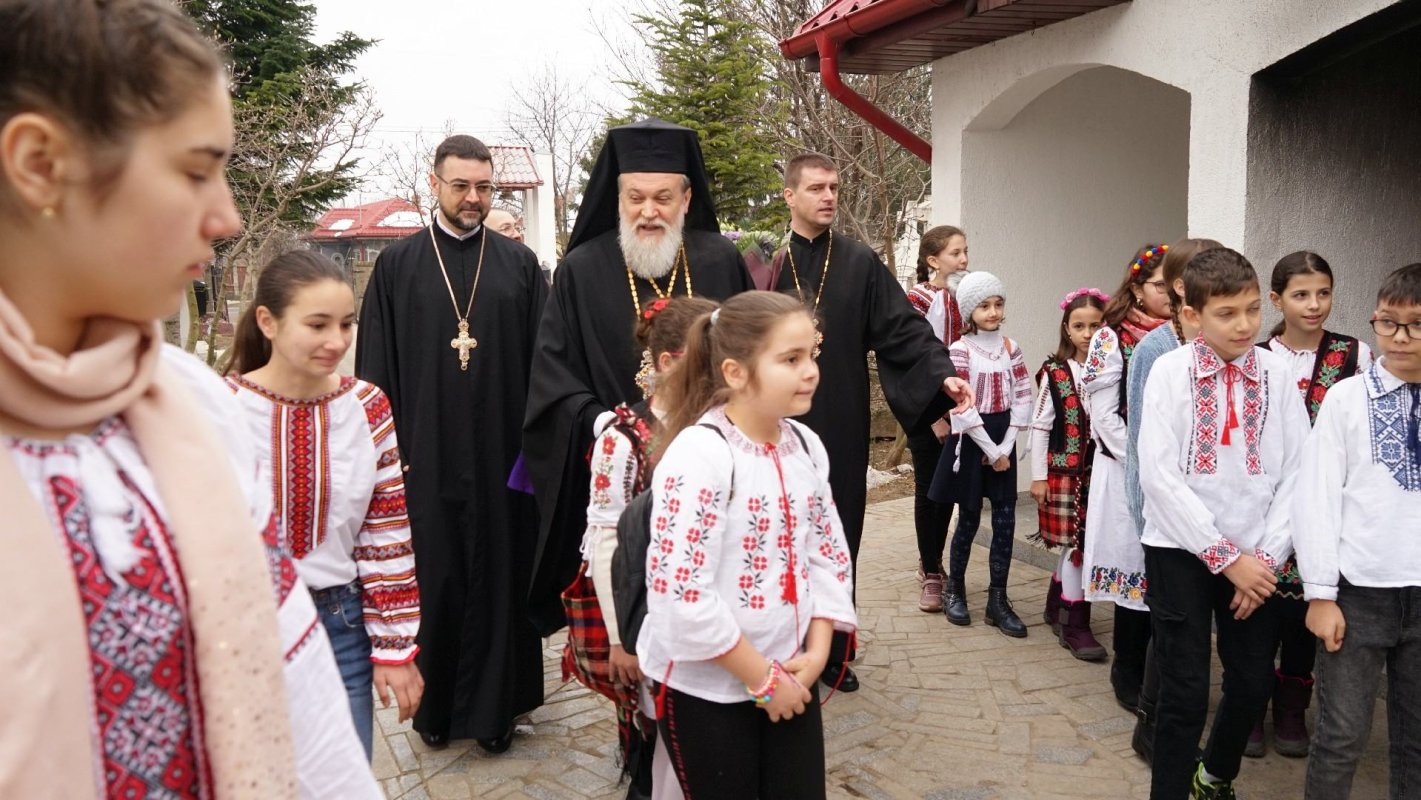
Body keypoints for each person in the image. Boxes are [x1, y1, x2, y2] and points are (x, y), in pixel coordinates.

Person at [0, 0, 379, 795]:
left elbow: (306, 717)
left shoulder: (188, 405)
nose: (226, 215)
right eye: (195, 170)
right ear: (40, 163)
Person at [525, 119, 754, 637]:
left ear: (686, 199)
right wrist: (606, 424)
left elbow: (750, 355)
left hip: (715, 460)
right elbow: (552, 374)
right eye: (636, 198)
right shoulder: (581, 269)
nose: (649, 211)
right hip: (619, 468)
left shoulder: (720, 259)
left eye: (663, 198)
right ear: (618, 199)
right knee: (625, 598)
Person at [356, 134, 547, 752]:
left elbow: (545, 367)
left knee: (499, 578)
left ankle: (496, 714)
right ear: (434, 184)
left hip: (502, 458)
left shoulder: (520, 266)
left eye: (483, 187)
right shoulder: (397, 266)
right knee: (434, 579)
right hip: (425, 456)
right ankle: (434, 710)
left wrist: (536, 451)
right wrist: (390, 456)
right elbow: (375, 372)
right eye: (461, 185)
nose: (473, 198)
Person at [639, 291, 857, 798]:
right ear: (735, 372)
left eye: (811, 355)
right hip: (707, 690)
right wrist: (762, 679)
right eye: (790, 359)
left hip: (793, 670)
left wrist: (817, 653)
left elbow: (825, 554)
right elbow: (682, 593)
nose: (811, 372)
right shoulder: (701, 455)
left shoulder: (805, 446)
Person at [771, 153, 973, 688]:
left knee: (838, 530)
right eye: (816, 188)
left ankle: (834, 652)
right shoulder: (765, 265)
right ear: (790, 196)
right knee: (778, 532)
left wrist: (942, 374)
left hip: (839, 416)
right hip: (773, 422)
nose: (828, 197)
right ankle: (781, 646)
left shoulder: (858, 261)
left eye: (834, 187)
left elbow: (903, 328)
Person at [225, 250, 424, 760]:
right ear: (267, 322)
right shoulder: (220, 408)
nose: (336, 341)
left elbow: (385, 530)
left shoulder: (368, 406)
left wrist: (395, 645)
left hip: (341, 624)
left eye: (346, 324)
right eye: (317, 325)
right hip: (243, 628)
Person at [1137, 248, 1310, 800]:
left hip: (1257, 558)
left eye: (1253, 309)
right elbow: (1159, 477)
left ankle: (1213, 778)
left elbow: (1299, 471)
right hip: (1179, 550)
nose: (1244, 325)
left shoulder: (1277, 372)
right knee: (1185, 690)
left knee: (1254, 682)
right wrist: (1223, 557)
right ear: (1192, 314)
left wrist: (1265, 557)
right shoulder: (1169, 372)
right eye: (1227, 313)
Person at [573, 296, 714, 800]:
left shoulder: (719, 425)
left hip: (707, 609)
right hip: (647, 612)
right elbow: (607, 540)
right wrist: (621, 639)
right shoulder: (623, 438)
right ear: (668, 362)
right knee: (655, 738)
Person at [1294, 262, 1421, 799]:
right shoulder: (1346, 398)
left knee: (1416, 739)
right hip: (1358, 594)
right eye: (1387, 322)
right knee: (1341, 735)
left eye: (1415, 325)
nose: (1399, 337)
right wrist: (1321, 593)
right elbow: (1316, 498)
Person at [1249, 250, 1372, 758]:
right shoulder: (1257, 356)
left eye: (1323, 293)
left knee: (1307, 603)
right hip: (1264, 502)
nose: (1314, 304)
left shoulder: (1354, 355)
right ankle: (1250, 704)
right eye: (1301, 295)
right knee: (1258, 609)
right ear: (1277, 300)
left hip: (1325, 502)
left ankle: (1292, 707)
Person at [1118, 237, 1224, 763]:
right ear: (1182, 286)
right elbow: (1143, 446)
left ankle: (1165, 722)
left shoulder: (1226, 346)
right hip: (1165, 520)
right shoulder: (1155, 350)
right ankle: (1152, 725)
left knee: (1186, 633)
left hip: (1213, 519)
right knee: (1173, 629)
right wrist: (1146, 519)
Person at [1080, 243, 1174, 710]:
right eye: (1160, 285)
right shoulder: (1111, 337)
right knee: (1135, 568)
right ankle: (1129, 668)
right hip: (1125, 471)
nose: (1170, 294)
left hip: (1173, 473)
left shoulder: (1184, 334)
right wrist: (1144, 462)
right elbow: (1103, 416)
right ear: (1137, 288)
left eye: (1176, 285)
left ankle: (1162, 668)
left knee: (1166, 572)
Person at [927, 272, 1032, 636]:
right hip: (973, 438)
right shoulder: (960, 350)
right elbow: (962, 406)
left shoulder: (1010, 348)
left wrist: (1005, 447)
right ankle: (955, 589)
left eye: (998, 304)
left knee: (1005, 519)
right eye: (984, 306)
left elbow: (1023, 394)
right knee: (969, 517)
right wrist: (990, 449)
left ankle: (997, 600)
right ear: (969, 311)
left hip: (1003, 436)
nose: (992, 312)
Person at [1030, 287, 1108, 658]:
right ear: (1067, 329)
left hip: (1100, 472)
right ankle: (1074, 624)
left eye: (1096, 325)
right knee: (1078, 546)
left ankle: (1055, 603)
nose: (1088, 334)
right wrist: (1038, 477)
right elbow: (1040, 426)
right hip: (1065, 474)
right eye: (1080, 326)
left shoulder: (1111, 370)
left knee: (1082, 543)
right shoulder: (1057, 373)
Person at [905, 225, 969, 612]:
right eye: (955, 253)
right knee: (928, 487)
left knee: (948, 488)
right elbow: (911, 359)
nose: (963, 259)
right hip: (926, 410)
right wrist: (934, 418)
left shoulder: (968, 295)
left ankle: (936, 561)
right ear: (933, 260)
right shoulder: (918, 299)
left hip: (960, 408)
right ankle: (931, 571)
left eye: (965, 252)